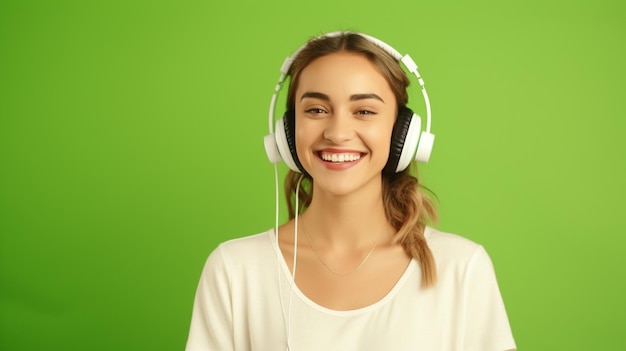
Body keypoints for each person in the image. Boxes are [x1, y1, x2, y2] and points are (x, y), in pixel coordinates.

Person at [185, 31, 516, 351]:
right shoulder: (235, 270)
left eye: (365, 112)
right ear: (287, 131)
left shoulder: (461, 268)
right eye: (316, 110)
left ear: (402, 133)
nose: (338, 133)